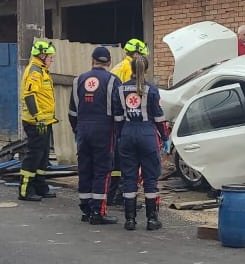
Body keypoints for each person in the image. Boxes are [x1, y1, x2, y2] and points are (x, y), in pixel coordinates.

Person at [114, 56, 171, 231]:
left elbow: (117, 118)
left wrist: (120, 135)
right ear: (145, 70)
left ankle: (129, 220)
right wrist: (165, 138)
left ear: (130, 69)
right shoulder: (152, 90)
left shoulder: (121, 89)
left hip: (127, 134)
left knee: (129, 177)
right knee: (150, 178)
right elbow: (159, 118)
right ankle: (151, 219)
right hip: (147, 135)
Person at [68, 47, 122, 225]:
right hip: (104, 131)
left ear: (92, 60)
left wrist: (77, 130)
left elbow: (72, 112)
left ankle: (86, 209)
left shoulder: (78, 81)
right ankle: (98, 211)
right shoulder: (114, 81)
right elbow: (119, 112)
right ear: (109, 62)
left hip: (83, 129)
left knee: (85, 169)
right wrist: (118, 133)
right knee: (102, 171)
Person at [108, 38, 149, 206]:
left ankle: (115, 194)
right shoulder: (127, 68)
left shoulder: (119, 66)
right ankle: (122, 195)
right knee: (127, 162)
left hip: (116, 120)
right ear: (137, 54)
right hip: (128, 122)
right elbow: (129, 94)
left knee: (118, 162)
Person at [19, 40, 58, 201]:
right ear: (42, 56)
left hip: (45, 121)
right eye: (49, 56)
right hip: (36, 122)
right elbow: (29, 96)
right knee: (34, 155)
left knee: (43, 156)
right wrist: (38, 118)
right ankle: (25, 190)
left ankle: (41, 187)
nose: (51, 59)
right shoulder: (35, 71)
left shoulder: (42, 70)